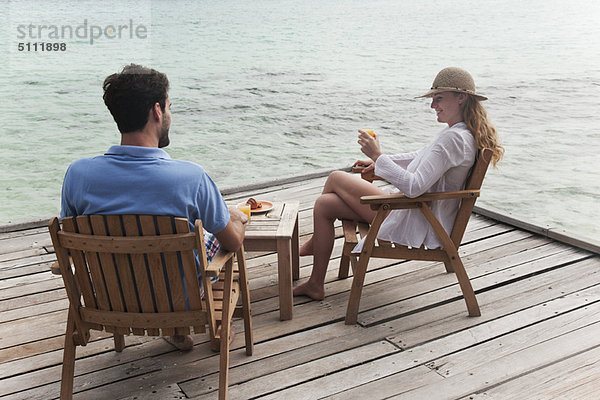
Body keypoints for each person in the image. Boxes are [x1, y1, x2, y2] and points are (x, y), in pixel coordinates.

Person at [60, 64, 248, 350]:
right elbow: (232, 244)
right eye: (170, 107)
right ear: (157, 111)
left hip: (110, 297)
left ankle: (176, 333)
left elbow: (72, 247)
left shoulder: (77, 175)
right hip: (179, 301)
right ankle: (211, 324)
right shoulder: (191, 178)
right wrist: (238, 220)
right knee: (216, 239)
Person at [293, 67, 504, 301]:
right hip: (420, 213)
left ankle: (315, 244)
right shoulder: (461, 133)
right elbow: (419, 157)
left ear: (461, 97)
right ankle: (315, 283)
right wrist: (380, 161)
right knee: (325, 204)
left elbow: (414, 187)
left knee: (336, 177)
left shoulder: (453, 138)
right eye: (433, 99)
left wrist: (379, 157)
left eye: (439, 98)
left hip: (414, 216)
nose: (433, 105)